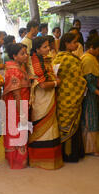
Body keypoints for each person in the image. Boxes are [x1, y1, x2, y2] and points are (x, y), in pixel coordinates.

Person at [28, 37, 63, 170]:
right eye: (44, 47)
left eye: (48, 46)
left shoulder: (47, 59)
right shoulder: (34, 62)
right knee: (41, 128)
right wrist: (56, 83)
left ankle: (52, 160)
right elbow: (42, 85)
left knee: (52, 129)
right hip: (41, 99)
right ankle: (38, 160)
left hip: (50, 98)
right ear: (37, 49)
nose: (48, 49)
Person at [52, 33, 87, 162]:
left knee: (63, 122)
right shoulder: (71, 59)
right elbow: (79, 80)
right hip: (71, 95)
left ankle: (65, 153)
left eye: (77, 42)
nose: (76, 44)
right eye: (74, 42)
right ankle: (71, 155)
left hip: (62, 96)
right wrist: (84, 83)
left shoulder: (57, 58)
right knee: (71, 124)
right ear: (66, 43)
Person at [80, 36, 99, 156]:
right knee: (90, 120)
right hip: (89, 96)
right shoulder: (88, 59)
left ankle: (88, 148)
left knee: (88, 120)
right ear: (92, 47)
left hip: (89, 95)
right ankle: (90, 149)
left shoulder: (90, 57)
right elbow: (89, 84)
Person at [2, 43, 30, 169]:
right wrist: (21, 112)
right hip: (17, 105)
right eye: (22, 53)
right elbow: (16, 93)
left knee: (16, 130)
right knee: (17, 131)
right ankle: (17, 160)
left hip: (20, 103)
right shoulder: (14, 70)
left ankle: (14, 158)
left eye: (26, 52)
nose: (26, 55)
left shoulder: (19, 67)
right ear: (14, 56)